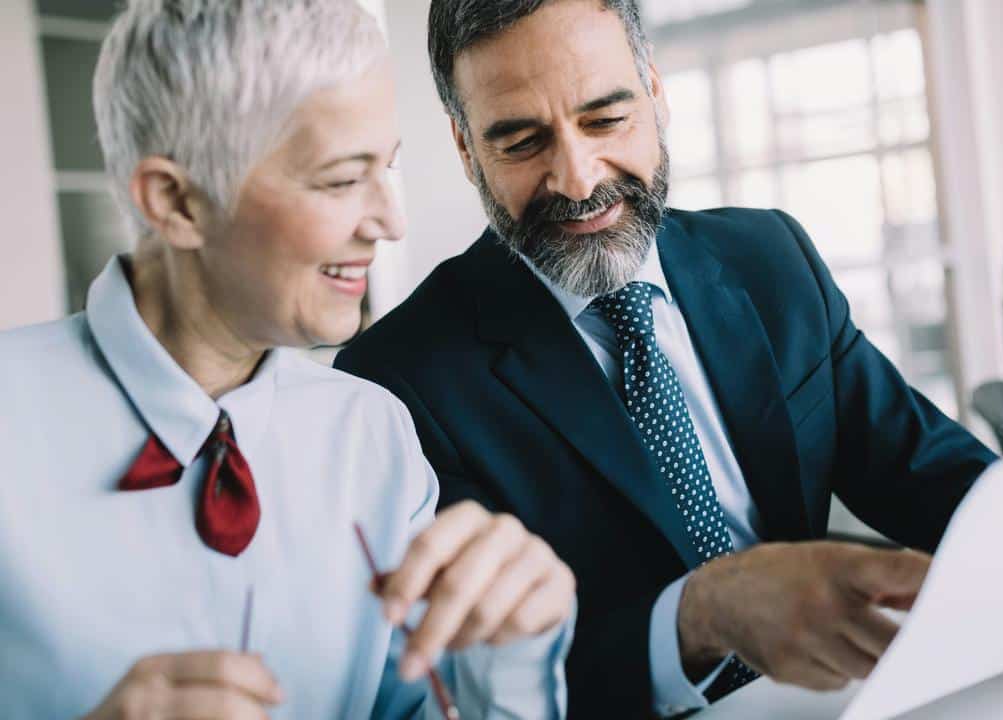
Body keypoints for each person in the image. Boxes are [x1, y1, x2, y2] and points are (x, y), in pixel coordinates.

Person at [335, 2, 1003, 717]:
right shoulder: (394, 385)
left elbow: (930, 471)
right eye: (521, 140)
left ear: (656, 94)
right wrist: (696, 618)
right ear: (464, 148)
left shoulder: (770, 258)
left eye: (605, 116)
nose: (577, 178)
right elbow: (458, 681)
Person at [0, 1, 576, 718]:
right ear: (176, 202)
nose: (390, 222)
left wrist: (510, 659)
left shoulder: (374, 432)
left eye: (386, 168)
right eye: (341, 179)